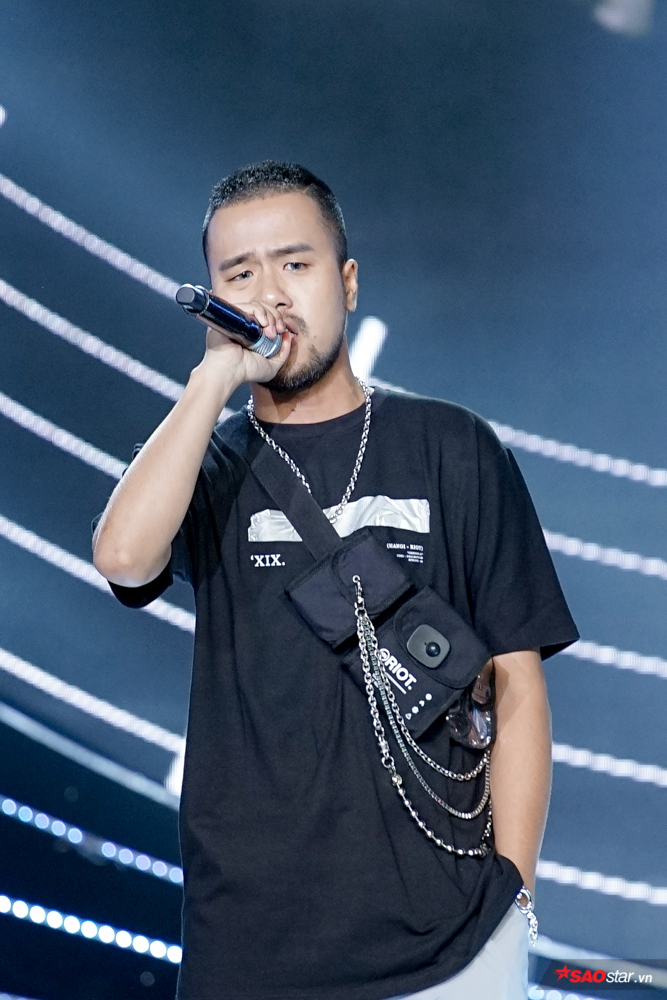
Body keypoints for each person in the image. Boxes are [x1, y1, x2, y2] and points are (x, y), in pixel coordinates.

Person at [92, 161, 579, 1000]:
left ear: (346, 282)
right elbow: (123, 560)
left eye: (294, 263)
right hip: (247, 946)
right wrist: (213, 381)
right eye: (238, 275)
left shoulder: (453, 446)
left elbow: (516, 685)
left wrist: (514, 898)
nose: (269, 295)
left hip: (449, 949)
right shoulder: (207, 464)